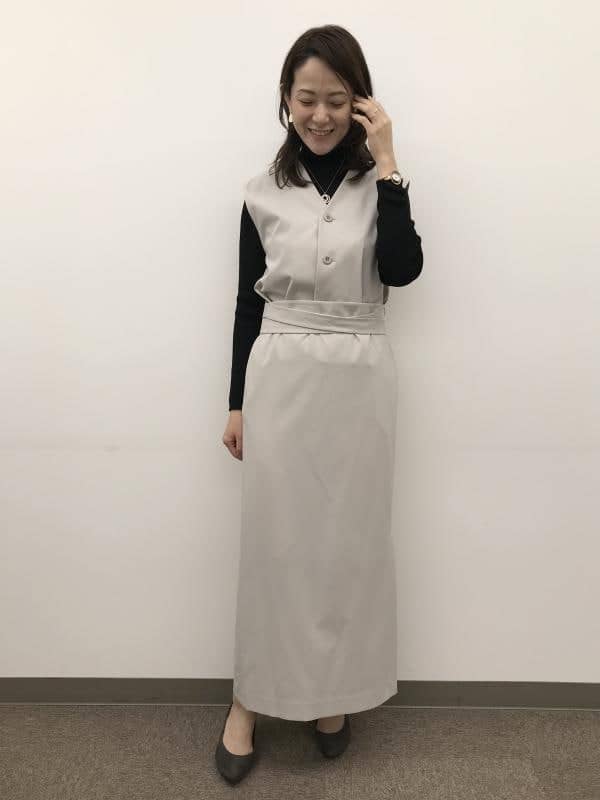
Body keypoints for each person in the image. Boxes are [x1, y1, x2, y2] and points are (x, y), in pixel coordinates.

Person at [217, 24, 424, 784]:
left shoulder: (383, 186)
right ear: (286, 100)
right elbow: (247, 302)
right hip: (281, 373)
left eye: (337, 99)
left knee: (347, 545)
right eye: (307, 98)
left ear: (360, 103)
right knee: (275, 545)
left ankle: (331, 696)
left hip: (360, 376)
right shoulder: (260, 192)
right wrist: (236, 404)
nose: (321, 114)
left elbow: (402, 270)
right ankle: (248, 701)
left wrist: (390, 165)